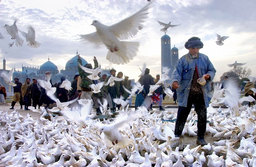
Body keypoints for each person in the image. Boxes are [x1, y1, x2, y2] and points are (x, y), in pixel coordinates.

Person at [171, 37, 216, 146]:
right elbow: (176, 72)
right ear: (188, 48)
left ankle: (200, 138)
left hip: (201, 92)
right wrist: (175, 81)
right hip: (187, 93)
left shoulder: (205, 59)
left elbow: (212, 70)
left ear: (199, 48)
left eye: (196, 48)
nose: (194, 50)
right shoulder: (183, 60)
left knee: (202, 115)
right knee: (182, 115)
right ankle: (177, 136)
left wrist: (208, 75)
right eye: (192, 48)